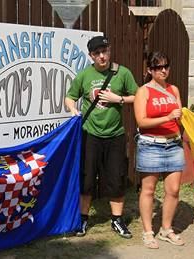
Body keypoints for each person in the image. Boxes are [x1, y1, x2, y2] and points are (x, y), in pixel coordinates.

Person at [64, 36, 138, 238]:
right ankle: (83, 220)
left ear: (110, 50)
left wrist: (119, 99)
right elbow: (70, 96)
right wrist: (72, 110)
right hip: (90, 135)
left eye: (104, 51)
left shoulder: (122, 73)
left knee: (116, 179)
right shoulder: (84, 75)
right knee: (87, 179)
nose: (102, 56)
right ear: (91, 55)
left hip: (115, 135)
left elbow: (138, 96)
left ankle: (117, 220)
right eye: (97, 53)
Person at [134, 52, 185, 249]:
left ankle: (166, 229)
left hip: (174, 144)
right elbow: (142, 121)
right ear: (150, 71)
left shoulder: (174, 89)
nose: (163, 70)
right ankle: (148, 232)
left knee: (173, 190)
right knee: (148, 190)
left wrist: (184, 117)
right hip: (151, 145)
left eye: (166, 66)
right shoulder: (143, 91)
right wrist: (167, 117)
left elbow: (179, 117)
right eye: (158, 67)